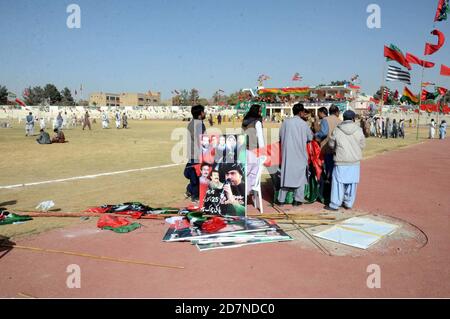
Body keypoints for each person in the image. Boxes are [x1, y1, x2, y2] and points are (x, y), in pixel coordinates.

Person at [326, 110, 365, 211]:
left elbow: (331, 144)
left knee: (338, 183)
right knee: (352, 183)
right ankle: (348, 203)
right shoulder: (359, 130)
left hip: (341, 160)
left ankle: (335, 204)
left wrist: (336, 149)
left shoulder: (337, 130)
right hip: (354, 161)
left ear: (343, 118)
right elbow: (362, 145)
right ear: (353, 119)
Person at [277, 103, 313, 206]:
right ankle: (297, 200)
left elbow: (280, 136)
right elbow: (310, 138)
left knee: (286, 177)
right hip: (300, 154)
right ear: (301, 112)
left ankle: (281, 200)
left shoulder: (286, 123)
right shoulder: (304, 124)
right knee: (300, 178)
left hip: (287, 155)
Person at [314, 105, 341, 202]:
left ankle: (324, 194)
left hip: (327, 149)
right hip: (337, 150)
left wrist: (316, 135)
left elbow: (324, 132)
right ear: (337, 112)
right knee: (334, 173)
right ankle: (333, 195)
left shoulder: (326, 120)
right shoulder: (340, 121)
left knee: (325, 173)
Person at [184, 105, 206, 201]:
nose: (204, 113)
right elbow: (200, 139)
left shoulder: (192, 123)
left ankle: (189, 190)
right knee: (197, 175)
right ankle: (195, 196)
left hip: (192, 153)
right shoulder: (198, 124)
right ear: (200, 114)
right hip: (197, 153)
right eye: (203, 111)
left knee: (194, 173)